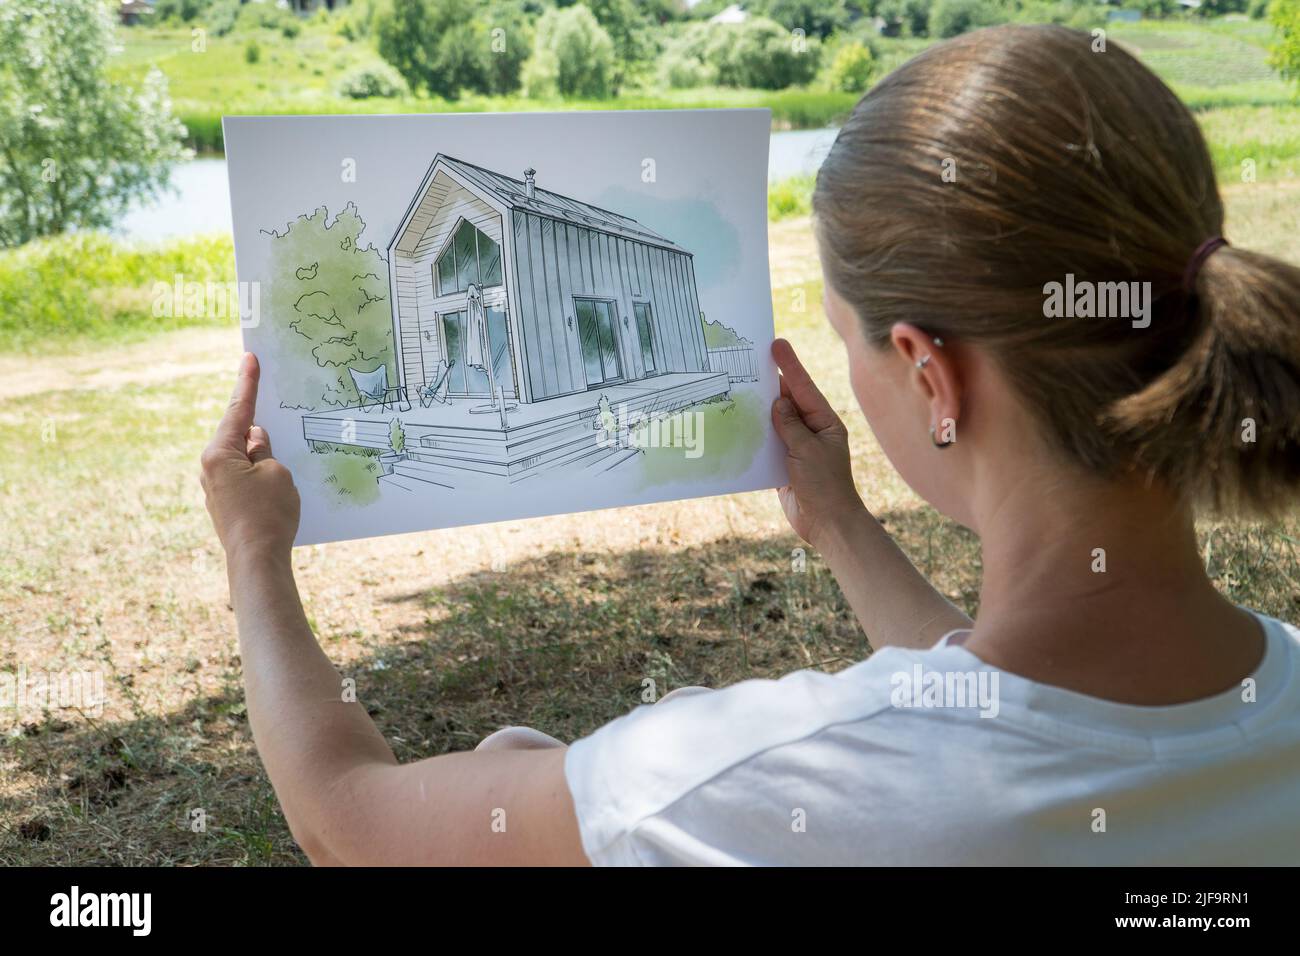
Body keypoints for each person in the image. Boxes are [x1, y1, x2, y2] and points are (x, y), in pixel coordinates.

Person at [200, 25, 1300, 866]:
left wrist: (255, 555)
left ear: (928, 373)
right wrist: (843, 525)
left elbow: (350, 821)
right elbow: (1014, 714)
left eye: (845, 340)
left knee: (508, 759)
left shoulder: (758, 782)